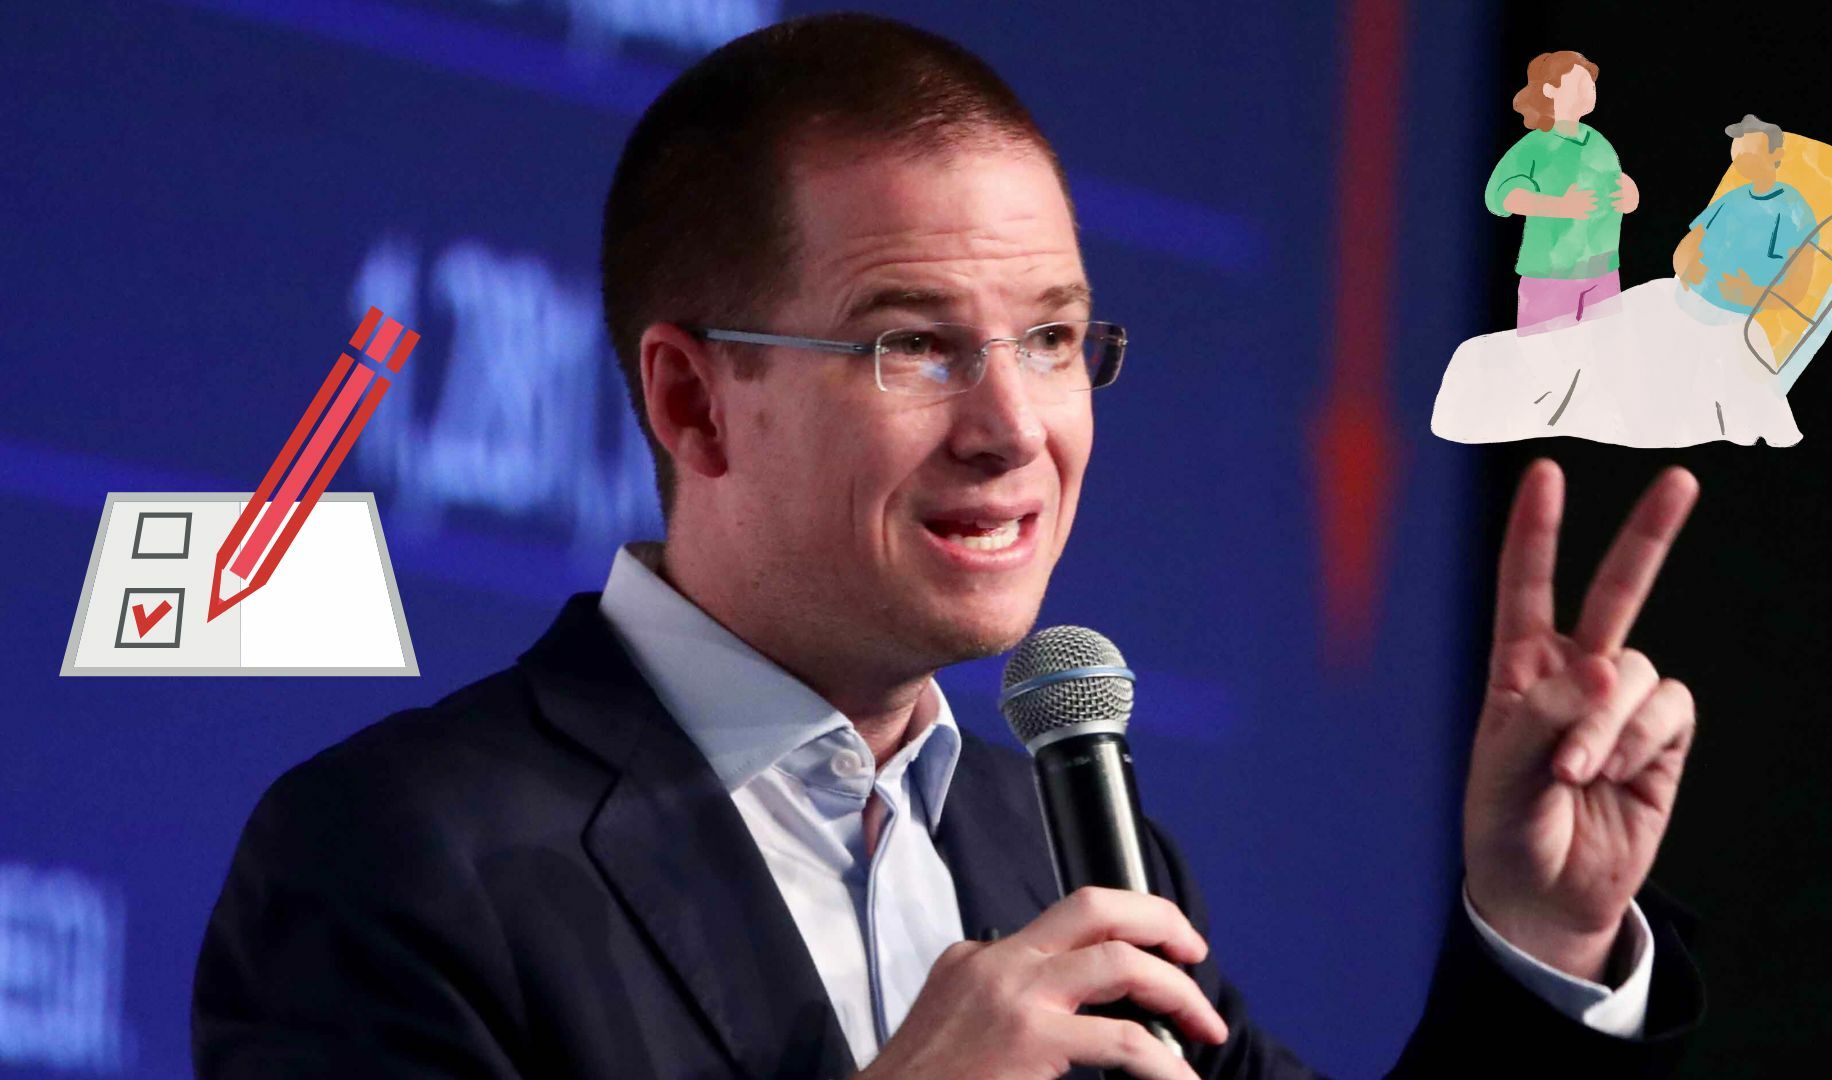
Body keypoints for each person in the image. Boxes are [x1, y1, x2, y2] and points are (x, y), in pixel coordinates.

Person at [192, 15, 1706, 1078]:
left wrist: (1541, 932)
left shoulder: (1064, 846)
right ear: (693, 400)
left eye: (1052, 339)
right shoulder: (397, 856)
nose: (1013, 427)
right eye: (912, 345)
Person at [1484, 50, 1641, 336]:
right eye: (1579, 84)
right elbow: (1501, 197)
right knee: (1547, 349)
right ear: (1550, 90)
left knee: (1601, 347)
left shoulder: (1599, 144)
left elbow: (1617, 186)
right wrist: (1560, 206)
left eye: (1590, 85)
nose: (1589, 91)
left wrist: (1630, 196)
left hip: (1602, 270)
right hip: (1551, 273)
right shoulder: (1536, 146)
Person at [1673, 114, 1819, 318]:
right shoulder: (1733, 198)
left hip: (1735, 318)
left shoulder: (1794, 209)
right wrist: (1684, 268)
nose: (1742, 158)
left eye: (1750, 151)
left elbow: (1797, 288)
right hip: (1686, 300)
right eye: (1738, 151)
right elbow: (1690, 241)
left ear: (1777, 155)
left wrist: (1750, 294)